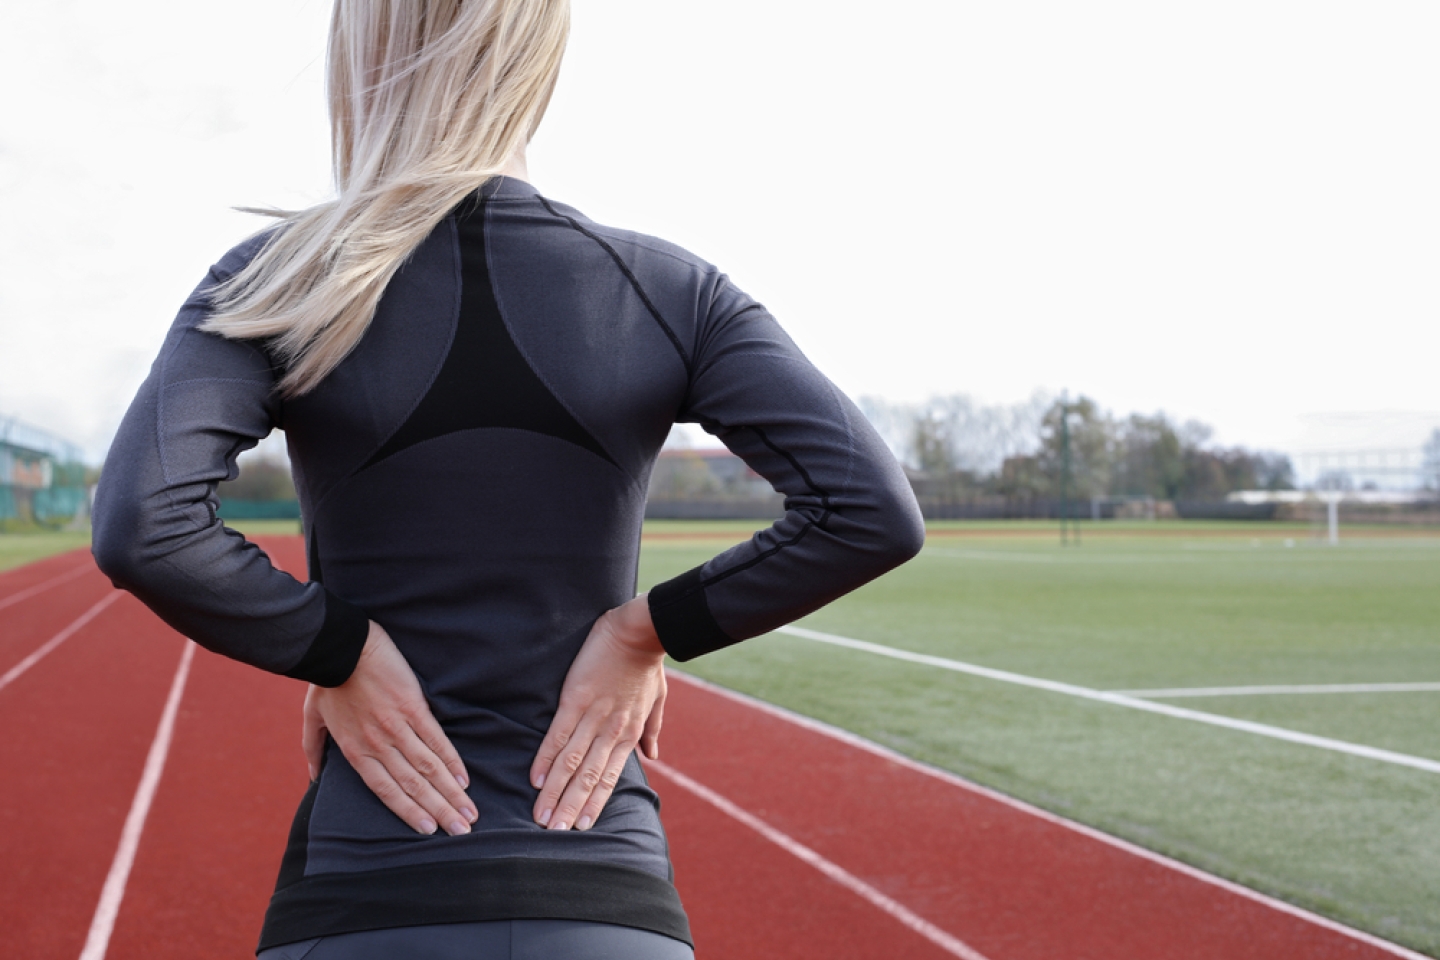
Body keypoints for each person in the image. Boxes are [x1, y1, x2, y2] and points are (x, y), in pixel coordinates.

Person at [91, 0, 925, 956]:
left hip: (367, 888)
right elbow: (869, 511)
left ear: (356, 57)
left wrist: (339, 650)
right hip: (607, 893)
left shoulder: (286, 278)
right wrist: (644, 632)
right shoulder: (667, 286)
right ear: (540, 63)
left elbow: (145, 527)